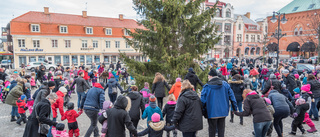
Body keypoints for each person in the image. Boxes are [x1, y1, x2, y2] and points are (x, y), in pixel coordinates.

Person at [201, 69, 238, 137]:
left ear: (210, 76)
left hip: (211, 112)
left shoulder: (206, 87)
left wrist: (203, 112)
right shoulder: (225, 85)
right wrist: (235, 108)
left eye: (208, 76)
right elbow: (232, 97)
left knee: (212, 131)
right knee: (221, 130)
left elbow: (202, 101)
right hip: (223, 111)